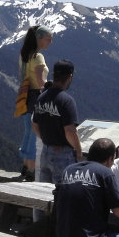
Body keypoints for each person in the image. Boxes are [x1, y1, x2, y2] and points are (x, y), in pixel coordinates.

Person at [32, 59, 80, 221]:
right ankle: (61, 232)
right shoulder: (66, 101)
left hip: (45, 152)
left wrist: (46, 140)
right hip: (63, 154)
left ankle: (37, 226)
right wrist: (78, 152)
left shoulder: (42, 97)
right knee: (64, 197)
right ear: (70, 77)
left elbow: (35, 125)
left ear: (54, 75)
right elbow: (70, 131)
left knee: (41, 194)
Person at [15, 25, 53, 181]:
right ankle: (31, 170)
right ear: (39, 38)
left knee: (27, 132)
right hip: (37, 96)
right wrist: (50, 87)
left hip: (25, 97)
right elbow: (40, 80)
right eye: (48, 39)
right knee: (34, 134)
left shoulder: (24, 55)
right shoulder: (38, 57)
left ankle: (25, 164)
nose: (50, 42)